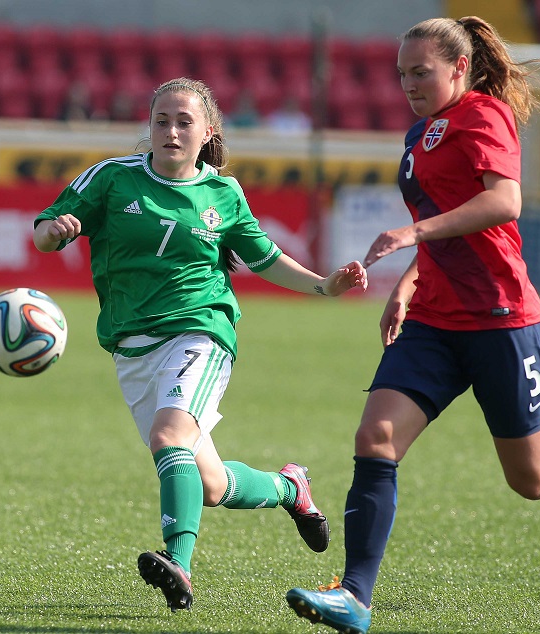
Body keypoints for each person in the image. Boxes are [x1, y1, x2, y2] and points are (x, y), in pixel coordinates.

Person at [286, 17, 540, 634]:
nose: (409, 85)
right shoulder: (420, 132)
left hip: (503, 320)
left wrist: (413, 233)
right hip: (433, 324)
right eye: (402, 74)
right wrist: (410, 285)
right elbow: (446, 221)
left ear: (459, 68)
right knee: (375, 440)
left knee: (534, 478)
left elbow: (503, 202)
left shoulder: (484, 115)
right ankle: (354, 596)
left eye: (421, 72)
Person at [33, 77, 368, 613]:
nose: (170, 130)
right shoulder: (112, 179)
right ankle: (290, 488)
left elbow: (265, 258)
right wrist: (56, 231)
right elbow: (45, 230)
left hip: (201, 332)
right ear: (149, 127)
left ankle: (180, 566)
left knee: (171, 439)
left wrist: (324, 284)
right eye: (161, 120)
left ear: (206, 131)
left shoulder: (223, 194)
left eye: (183, 122)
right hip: (132, 348)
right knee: (209, 485)